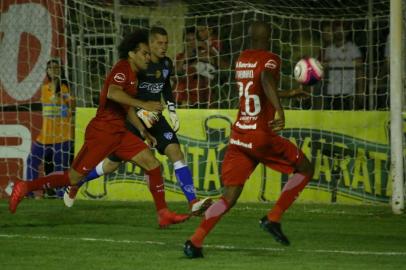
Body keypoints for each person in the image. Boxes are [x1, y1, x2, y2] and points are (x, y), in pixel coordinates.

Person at [9, 29, 190, 228]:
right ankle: (25, 186)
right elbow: (113, 93)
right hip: (102, 132)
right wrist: (144, 104)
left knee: (153, 165)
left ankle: (163, 214)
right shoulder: (122, 68)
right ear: (132, 53)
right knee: (72, 178)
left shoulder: (134, 75)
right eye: (145, 53)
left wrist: (142, 129)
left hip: (119, 132)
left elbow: (126, 107)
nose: (148, 58)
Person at [183, 21, 314, 258]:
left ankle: (195, 242)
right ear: (270, 37)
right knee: (305, 168)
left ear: (250, 37)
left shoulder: (242, 58)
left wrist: (290, 94)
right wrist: (280, 110)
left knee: (228, 198)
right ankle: (273, 218)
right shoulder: (271, 59)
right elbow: (265, 79)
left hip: (239, 136)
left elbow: (259, 88)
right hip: (260, 136)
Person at [63, 26, 212, 216]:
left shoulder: (167, 64)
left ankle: (193, 202)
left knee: (175, 151)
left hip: (154, 117)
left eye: (166, 43)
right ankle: (78, 182)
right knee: (112, 163)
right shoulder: (139, 64)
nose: (164, 47)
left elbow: (165, 86)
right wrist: (140, 110)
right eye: (159, 43)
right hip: (132, 118)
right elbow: (121, 91)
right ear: (149, 45)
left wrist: (172, 109)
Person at [26, 59, 74, 198]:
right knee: (32, 160)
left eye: (56, 68)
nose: (53, 70)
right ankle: (31, 192)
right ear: (47, 71)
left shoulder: (66, 88)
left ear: (61, 70)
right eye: (50, 68)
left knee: (60, 166)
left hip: (62, 136)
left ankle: (60, 195)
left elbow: (70, 111)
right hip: (45, 136)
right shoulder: (44, 89)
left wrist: (63, 100)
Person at [322, 21, 364, 110]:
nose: (339, 33)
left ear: (347, 32)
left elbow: (360, 70)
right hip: (332, 91)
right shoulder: (329, 49)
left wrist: (360, 90)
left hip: (348, 91)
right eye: (337, 30)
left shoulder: (353, 48)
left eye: (342, 30)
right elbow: (325, 70)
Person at [174, 27, 214, 108]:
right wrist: (185, 57)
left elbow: (213, 64)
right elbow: (175, 76)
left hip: (199, 98)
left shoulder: (204, 55)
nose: (191, 43)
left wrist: (197, 56)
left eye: (193, 40)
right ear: (184, 42)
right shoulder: (179, 57)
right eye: (188, 40)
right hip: (181, 98)